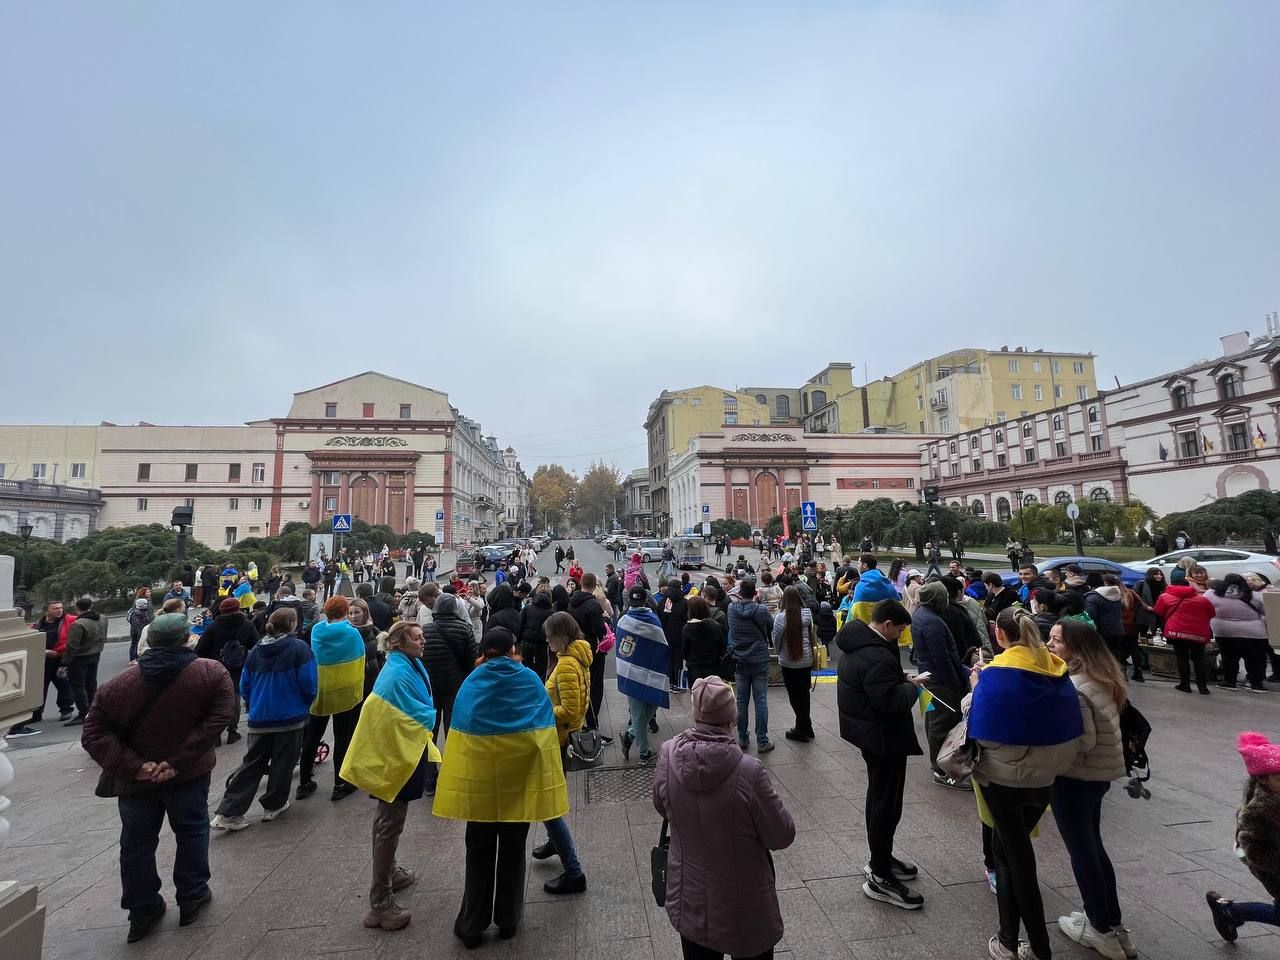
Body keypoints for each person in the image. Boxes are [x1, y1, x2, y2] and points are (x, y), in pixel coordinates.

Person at [80, 613, 234, 944]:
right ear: (186, 638)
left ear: (148, 641)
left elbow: (93, 735)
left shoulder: (117, 685)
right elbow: (219, 717)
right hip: (188, 774)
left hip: (136, 782)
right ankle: (192, 895)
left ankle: (142, 909)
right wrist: (176, 762)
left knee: (135, 845)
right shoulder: (210, 672)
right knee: (192, 832)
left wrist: (138, 767)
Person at [433, 627, 569, 948]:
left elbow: (459, 737)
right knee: (512, 852)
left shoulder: (471, 683)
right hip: (518, 787)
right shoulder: (530, 681)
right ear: (513, 649)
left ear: (485, 651)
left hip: (480, 790)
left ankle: (472, 925)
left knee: (478, 852)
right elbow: (544, 732)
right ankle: (508, 920)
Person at [966, 609, 1085, 960]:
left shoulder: (998, 672)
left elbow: (979, 728)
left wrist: (975, 688)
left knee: (1016, 858)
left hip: (1002, 777)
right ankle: (1012, 937)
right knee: (1007, 851)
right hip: (1048, 773)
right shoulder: (1054, 667)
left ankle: (1030, 943)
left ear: (1000, 636)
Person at [654, 676, 796, 960]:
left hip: (689, 896)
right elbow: (782, 835)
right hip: (744, 901)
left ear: (696, 714)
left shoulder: (668, 754)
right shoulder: (749, 771)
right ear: (732, 717)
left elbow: (662, 806)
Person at [339, 620, 443, 931]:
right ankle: (380, 902)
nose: (423, 641)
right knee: (389, 823)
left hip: (401, 750)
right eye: (416, 637)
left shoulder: (403, 663)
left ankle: (390, 874)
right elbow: (395, 713)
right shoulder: (398, 673)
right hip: (394, 756)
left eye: (422, 635)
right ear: (399, 643)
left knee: (389, 822)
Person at [1045, 619, 1133, 960]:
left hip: (1075, 778)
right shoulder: (1104, 677)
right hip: (1097, 776)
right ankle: (1112, 923)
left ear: (1077, 648)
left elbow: (1080, 741)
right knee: (1093, 848)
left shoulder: (1077, 688)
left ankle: (1099, 928)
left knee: (1083, 852)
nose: (1049, 644)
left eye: (1056, 640)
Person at [835, 599, 926, 910]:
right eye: (900, 631)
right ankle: (880, 875)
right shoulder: (877, 656)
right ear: (886, 624)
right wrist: (912, 688)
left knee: (879, 797)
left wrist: (900, 680)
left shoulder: (858, 642)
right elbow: (889, 704)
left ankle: (880, 857)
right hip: (883, 738)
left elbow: (875, 686)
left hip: (868, 735)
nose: (900, 637)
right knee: (887, 804)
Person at [211, 608, 317, 832]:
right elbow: (308, 683)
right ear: (291, 625)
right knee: (283, 763)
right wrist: (305, 703)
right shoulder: (298, 648)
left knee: (252, 764)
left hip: (260, 717)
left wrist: (255, 703)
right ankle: (274, 804)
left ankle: (228, 812)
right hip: (289, 716)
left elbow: (245, 685)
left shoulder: (257, 650)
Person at [530, 611, 591, 894]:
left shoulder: (566, 664)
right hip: (566, 736)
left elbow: (569, 710)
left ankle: (573, 871)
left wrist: (542, 710)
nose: (546, 640)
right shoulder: (579, 655)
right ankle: (555, 843)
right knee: (551, 799)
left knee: (548, 804)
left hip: (560, 739)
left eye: (550, 635)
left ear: (562, 637)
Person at [1205, 732, 1280, 941]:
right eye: (1278, 777)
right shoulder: (1259, 812)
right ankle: (1231, 912)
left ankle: (1231, 912)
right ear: (1263, 779)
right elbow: (1254, 850)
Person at [297, 596, 367, 801]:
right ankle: (340, 783)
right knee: (342, 737)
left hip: (321, 690)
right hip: (346, 691)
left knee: (312, 737)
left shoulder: (317, 630)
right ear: (345, 611)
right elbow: (360, 659)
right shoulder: (352, 633)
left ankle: (304, 783)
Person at [912, 581, 970, 788]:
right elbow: (942, 658)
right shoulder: (933, 622)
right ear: (938, 599)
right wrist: (957, 681)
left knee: (932, 720)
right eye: (944, 597)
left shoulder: (921, 615)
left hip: (927, 678)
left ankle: (937, 764)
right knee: (941, 724)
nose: (947, 600)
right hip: (940, 682)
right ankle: (942, 771)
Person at [421, 593, 476, 794]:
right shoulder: (465, 629)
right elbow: (470, 662)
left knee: (430, 732)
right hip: (455, 687)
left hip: (430, 688)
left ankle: (429, 779)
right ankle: (454, 774)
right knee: (454, 731)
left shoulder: (425, 630)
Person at [616, 585, 670, 762]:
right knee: (650, 705)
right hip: (649, 671)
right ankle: (644, 752)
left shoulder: (622, 620)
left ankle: (631, 735)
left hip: (630, 673)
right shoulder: (653, 620)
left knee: (639, 712)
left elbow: (621, 648)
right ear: (645, 600)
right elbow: (662, 646)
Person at [196, 597, 256, 745]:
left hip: (216, 665)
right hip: (237, 666)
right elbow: (255, 644)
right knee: (235, 696)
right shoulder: (246, 624)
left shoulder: (213, 626)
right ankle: (232, 731)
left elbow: (200, 649)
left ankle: (216, 734)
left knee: (214, 699)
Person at [727, 579, 775, 753]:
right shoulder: (761, 610)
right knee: (760, 700)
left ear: (740, 593)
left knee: (741, 701)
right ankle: (762, 740)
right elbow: (770, 626)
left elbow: (730, 628)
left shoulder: (731, 609)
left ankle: (742, 738)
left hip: (740, 658)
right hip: (759, 659)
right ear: (755, 593)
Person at [1154, 568, 1214, 694]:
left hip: (1177, 632)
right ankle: (1202, 687)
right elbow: (1211, 613)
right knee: (1199, 659)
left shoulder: (1165, 597)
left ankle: (1185, 684)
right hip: (1198, 633)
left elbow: (1158, 611)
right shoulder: (1201, 599)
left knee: (1182, 658)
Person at [1207, 573, 1268, 691]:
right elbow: (1266, 612)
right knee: (1255, 659)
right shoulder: (1255, 596)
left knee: (1229, 658)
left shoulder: (1212, 594)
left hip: (1224, 631)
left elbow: (1204, 607)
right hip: (1254, 632)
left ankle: (1230, 682)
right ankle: (1256, 685)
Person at [772, 585, 815, 743]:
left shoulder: (781, 617)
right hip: (806, 660)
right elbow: (811, 635)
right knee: (804, 693)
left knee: (794, 695)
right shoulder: (807, 614)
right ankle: (807, 725)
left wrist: (779, 651)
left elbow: (776, 640)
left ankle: (801, 728)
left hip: (789, 661)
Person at [569, 572, 610, 735]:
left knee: (581, 685)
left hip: (576, 649)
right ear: (595, 586)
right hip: (593, 651)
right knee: (594, 687)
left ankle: (582, 720)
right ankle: (592, 724)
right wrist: (606, 619)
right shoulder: (593, 605)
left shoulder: (572, 601)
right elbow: (601, 632)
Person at [60, 596, 106, 726]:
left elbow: (72, 646)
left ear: (77, 608)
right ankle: (94, 709)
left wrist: (64, 663)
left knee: (77, 686)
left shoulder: (78, 624)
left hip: (80, 657)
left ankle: (83, 712)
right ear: (91, 606)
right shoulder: (102, 618)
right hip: (95, 653)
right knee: (91, 683)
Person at [682, 595, 726, 686]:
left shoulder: (687, 629)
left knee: (697, 697)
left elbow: (684, 652)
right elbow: (722, 647)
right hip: (713, 667)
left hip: (695, 668)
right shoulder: (715, 626)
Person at [1084, 576, 1126, 665]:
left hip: (1101, 632)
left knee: (1102, 658)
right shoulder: (1118, 594)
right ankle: (1119, 676)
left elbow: (1091, 617)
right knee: (1116, 656)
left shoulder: (1092, 598)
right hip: (1118, 629)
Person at [518, 581, 555, 680]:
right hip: (542, 643)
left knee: (526, 667)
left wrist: (519, 640)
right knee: (542, 668)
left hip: (527, 641)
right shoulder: (551, 612)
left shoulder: (528, 608)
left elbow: (520, 625)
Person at [849, 555, 901, 624]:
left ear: (864, 565)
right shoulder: (887, 584)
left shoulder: (861, 587)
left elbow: (852, 613)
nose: (857, 566)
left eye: (858, 563)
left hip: (866, 629)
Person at [661, 578, 690, 692]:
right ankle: (677, 684)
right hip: (680, 634)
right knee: (678, 659)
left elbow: (660, 617)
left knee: (670, 659)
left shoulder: (664, 601)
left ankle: (671, 682)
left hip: (667, 634)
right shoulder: (684, 602)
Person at [128, 587, 155, 662]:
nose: (149, 593)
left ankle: (134, 658)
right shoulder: (143, 602)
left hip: (138, 626)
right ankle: (135, 658)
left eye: (149, 592)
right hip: (141, 627)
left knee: (136, 642)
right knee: (139, 642)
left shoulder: (143, 601)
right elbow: (148, 615)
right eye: (147, 592)